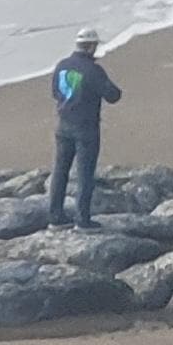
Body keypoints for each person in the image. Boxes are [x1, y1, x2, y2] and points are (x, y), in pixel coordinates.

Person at [48, 26, 123, 229]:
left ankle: (55, 216)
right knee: (84, 174)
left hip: (63, 124)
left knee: (60, 171)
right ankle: (82, 220)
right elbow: (113, 95)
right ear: (90, 46)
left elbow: (55, 92)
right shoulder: (93, 70)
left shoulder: (62, 66)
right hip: (86, 127)